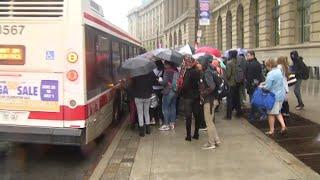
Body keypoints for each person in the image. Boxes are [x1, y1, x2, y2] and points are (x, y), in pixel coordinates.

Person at [198, 55, 221, 150]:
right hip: (212, 100)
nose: (198, 64)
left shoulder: (207, 73)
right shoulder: (209, 71)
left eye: (199, 62)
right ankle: (216, 139)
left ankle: (211, 143)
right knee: (210, 122)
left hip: (209, 101)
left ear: (203, 63)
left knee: (208, 122)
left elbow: (211, 87)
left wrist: (203, 93)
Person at [262, 58, 287, 135]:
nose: (266, 68)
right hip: (281, 95)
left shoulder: (271, 74)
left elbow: (268, 87)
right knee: (277, 112)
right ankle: (283, 126)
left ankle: (271, 131)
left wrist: (261, 86)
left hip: (274, 96)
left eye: (266, 66)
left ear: (269, 65)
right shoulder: (279, 71)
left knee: (270, 114)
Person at [180, 55, 201, 141]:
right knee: (197, 115)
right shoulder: (197, 71)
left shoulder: (188, 72)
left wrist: (181, 91)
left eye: (185, 61)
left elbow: (185, 85)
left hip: (188, 97)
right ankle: (196, 133)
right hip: (196, 95)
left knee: (188, 116)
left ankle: (188, 136)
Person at [131, 72, 157, 137]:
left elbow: (132, 86)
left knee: (140, 113)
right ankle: (148, 129)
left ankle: (142, 131)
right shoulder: (149, 75)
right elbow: (152, 86)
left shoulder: (135, 75)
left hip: (138, 96)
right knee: (146, 112)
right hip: (147, 96)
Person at [245, 50, 266, 121]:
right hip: (255, 84)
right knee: (254, 101)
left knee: (254, 101)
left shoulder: (252, 64)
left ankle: (262, 113)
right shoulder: (256, 63)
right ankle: (253, 115)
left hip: (253, 85)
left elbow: (250, 76)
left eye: (248, 55)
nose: (246, 57)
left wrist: (250, 85)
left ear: (252, 55)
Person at [158, 61, 178, 131]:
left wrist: (159, 81)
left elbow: (164, 82)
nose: (164, 65)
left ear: (169, 64)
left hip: (168, 92)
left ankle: (166, 124)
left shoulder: (167, 72)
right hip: (175, 91)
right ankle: (172, 123)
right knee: (173, 107)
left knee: (165, 107)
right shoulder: (176, 71)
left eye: (165, 64)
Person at [226, 50, 242, 119]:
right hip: (238, 83)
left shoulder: (229, 63)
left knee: (229, 100)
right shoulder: (238, 62)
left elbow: (228, 75)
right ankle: (239, 113)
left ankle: (229, 116)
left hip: (231, 83)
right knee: (237, 99)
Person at [150, 60, 164, 125]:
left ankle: (153, 118)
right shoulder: (163, 70)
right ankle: (161, 118)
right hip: (161, 89)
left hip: (154, 89)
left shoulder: (152, 70)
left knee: (153, 104)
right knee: (161, 104)